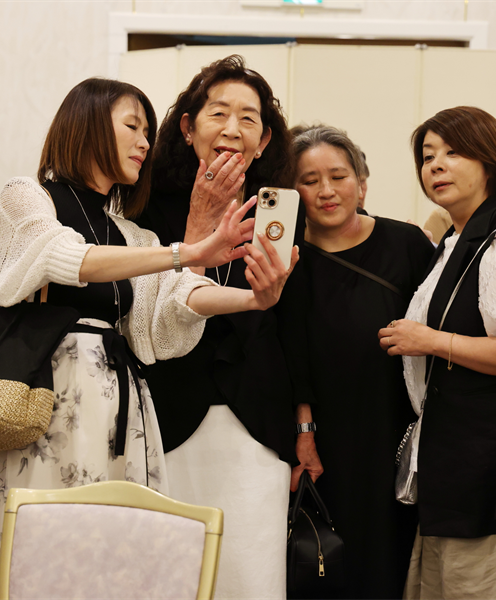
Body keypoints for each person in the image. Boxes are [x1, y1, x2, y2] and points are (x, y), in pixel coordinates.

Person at [0, 77, 295, 600]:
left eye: (147, 132)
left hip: (118, 411)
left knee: (112, 558)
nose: (145, 143)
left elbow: (172, 310)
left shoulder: (132, 233)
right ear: (88, 124)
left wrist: (257, 299)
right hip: (47, 403)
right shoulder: (27, 196)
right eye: (133, 127)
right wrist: (189, 251)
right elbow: (65, 257)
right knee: (37, 551)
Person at [378, 107, 496, 600]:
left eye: (453, 152)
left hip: (493, 461)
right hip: (457, 454)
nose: (436, 165)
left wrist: (431, 341)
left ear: (490, 163)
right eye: (427, 156)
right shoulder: (460, 236)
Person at [135, 55, 304, 599]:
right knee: (172, 571)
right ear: (188, 127)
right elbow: (150, 309)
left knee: (249, 568)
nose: (233, 128)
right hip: (169, 407)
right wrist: (200, 219)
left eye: (249, 119)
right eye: (219, 113)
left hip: (257, 414)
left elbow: (296, 327)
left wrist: (304, 426)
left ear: (264, 140)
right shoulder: (145, 206)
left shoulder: (279, 212)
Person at [289, 125, 435, 599]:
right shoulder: (287, 258)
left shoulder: (406, 244)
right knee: (328, 551)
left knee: (392, 547)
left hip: (395, 424)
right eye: (309, 180)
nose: (326, 191)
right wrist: (304, 429)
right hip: (324, 433)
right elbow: (287, 353)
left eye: (338, 176)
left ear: (361, 183)